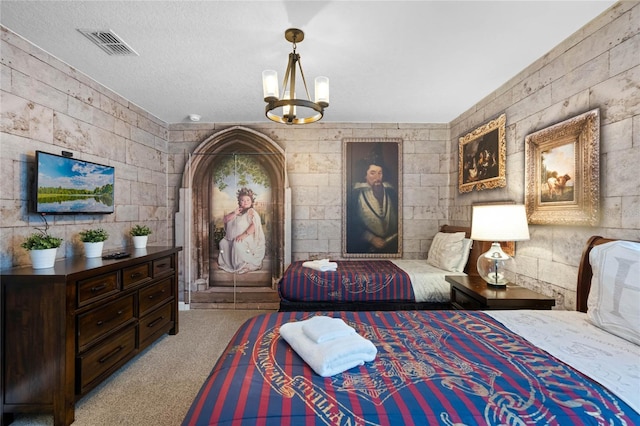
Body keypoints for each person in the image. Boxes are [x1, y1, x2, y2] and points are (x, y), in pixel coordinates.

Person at [348, 157, 398, 254]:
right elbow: (351, 221)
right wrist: (371, 238)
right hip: (365, 247)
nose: (377, 177)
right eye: (372, 173)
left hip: (390, 244)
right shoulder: (355, 194)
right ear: (365, 176)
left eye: (380, 173)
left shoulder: (390, 192)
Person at [217, 187, 265, 274]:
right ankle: (231, 264)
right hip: (233, 238)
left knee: (237, 242)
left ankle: (243, 264)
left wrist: (244, 235)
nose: (245, 202)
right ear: (239, 202)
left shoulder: (251, 211)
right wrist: (234, 213)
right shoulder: (237, 212)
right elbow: (225, 220)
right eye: (242, 200)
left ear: (251, 202)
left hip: (247, 238)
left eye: (248, 200)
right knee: (223, 243)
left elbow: (254, 225)